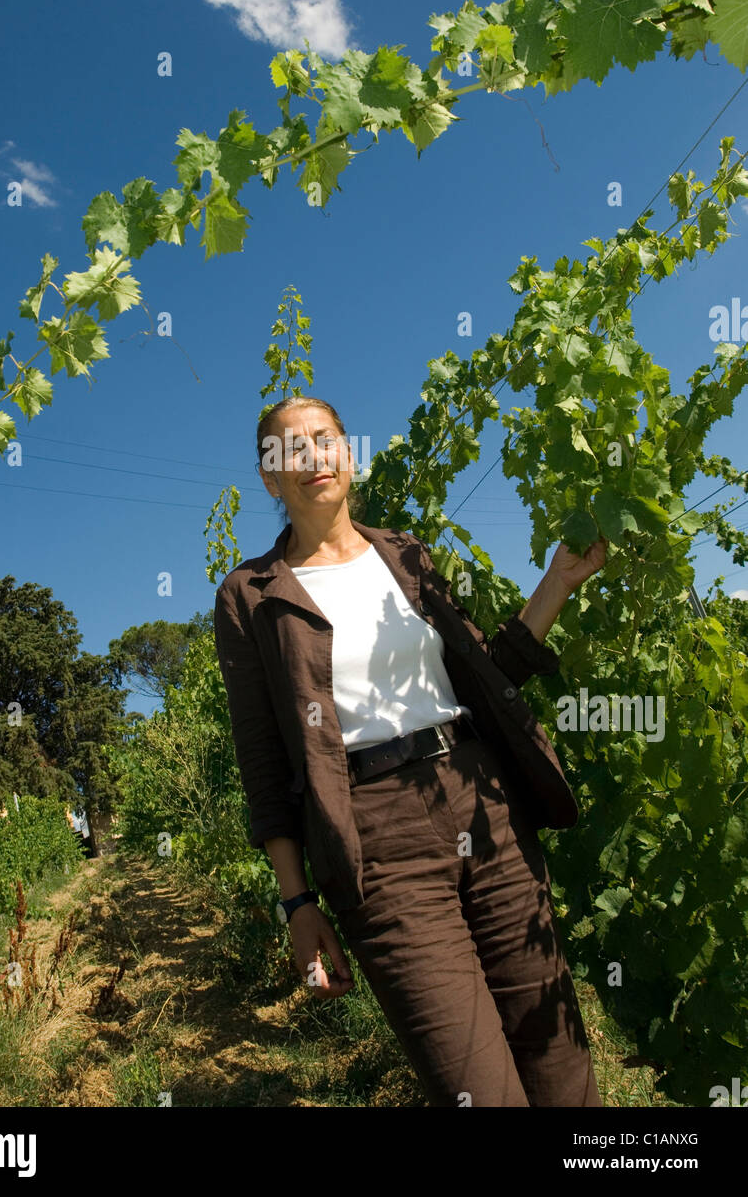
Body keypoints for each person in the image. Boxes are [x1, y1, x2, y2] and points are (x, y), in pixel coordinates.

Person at [213, 394, 607, 1107]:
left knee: (560, 1068)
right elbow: (263, 761)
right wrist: (297, 902)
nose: (312, 458)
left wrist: (556, 583)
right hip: (374, 837)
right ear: (270, 480)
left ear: (348, 455)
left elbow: (484, 678)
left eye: (325, 439)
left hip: (483, 807)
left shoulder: (404, 555)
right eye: (288, 450)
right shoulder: (250, 595)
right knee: (475, 1086)